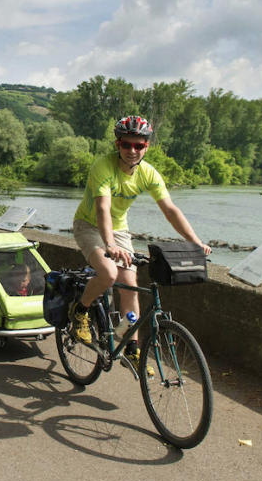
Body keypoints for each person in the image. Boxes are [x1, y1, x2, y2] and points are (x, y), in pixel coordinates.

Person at [69, 116, 212, 365]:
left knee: (130, 282)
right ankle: (80, 311)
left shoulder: (148, 173)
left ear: (147, 146)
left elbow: (170, 210)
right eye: (127, 145)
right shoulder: (102, 167)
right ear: (118, 144)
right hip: (89, 226)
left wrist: (195, 241)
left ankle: (131, 346)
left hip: (120, 230)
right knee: (109, 274)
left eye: (139, 146)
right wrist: (110, 245)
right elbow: (103, 209)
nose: (132, 151)